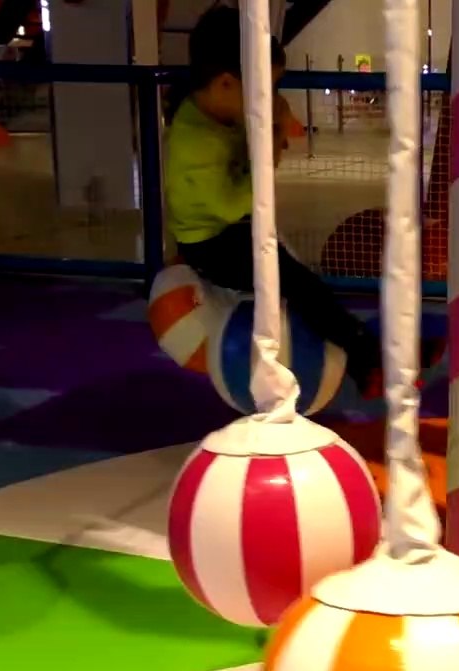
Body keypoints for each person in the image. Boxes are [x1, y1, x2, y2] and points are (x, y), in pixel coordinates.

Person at [164, 7, 438, 399]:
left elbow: (273, 123)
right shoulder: (195, 142)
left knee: (305, 285)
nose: (270, 97)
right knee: (302, 286)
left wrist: (276, 122)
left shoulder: (220, 109)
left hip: (232, 230)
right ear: (225, 83)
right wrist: (267, 154)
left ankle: (378, 356)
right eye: (265, 87)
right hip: (211, 245)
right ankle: (370, 361)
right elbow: (229, 206)